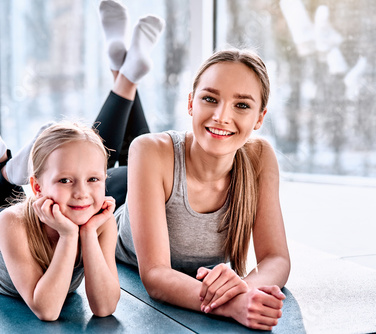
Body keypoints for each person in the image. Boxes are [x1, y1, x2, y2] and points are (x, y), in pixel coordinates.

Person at [0, 1, 165, 322]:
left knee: (83, 154)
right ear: (37, 187)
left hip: (41, 203)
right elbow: (47, 308)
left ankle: (2, 162)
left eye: (94, 181)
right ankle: (3, 169)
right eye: (65, 181)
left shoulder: (99, 224)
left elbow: (104, 307)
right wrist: (70, 236)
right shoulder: (10, 223)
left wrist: (88, 234)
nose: (83, 193)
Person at [96, 1, 291, 331]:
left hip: (158, 176)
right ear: (190, 102)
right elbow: (156, 277)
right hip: (119, 190)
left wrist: (245, 289)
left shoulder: (259, 158)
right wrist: (231, 305)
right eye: (210, 99)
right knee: (91, 158)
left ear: (260, 118)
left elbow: (277, 259)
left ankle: (125, 71)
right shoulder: (151, 151)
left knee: (149, 152)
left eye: (241, 105)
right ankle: (125, 75)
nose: (221, 116)